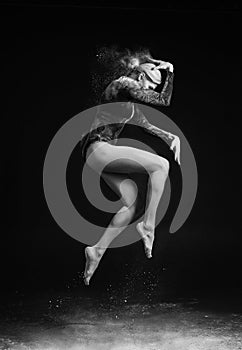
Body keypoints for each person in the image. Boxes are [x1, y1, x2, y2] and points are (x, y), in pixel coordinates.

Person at [80, 53, 180, 285]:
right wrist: (170, 72)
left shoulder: (129, 105)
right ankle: (148, 226)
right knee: (161, 165)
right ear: (141, 75)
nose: (149, 89)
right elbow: (163, 101)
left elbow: (147, 125)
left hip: (97, 154)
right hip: (98, 148)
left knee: (132, 203)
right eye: (150, 84)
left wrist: (170, 136)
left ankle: (96, 250)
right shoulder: (122, 83)